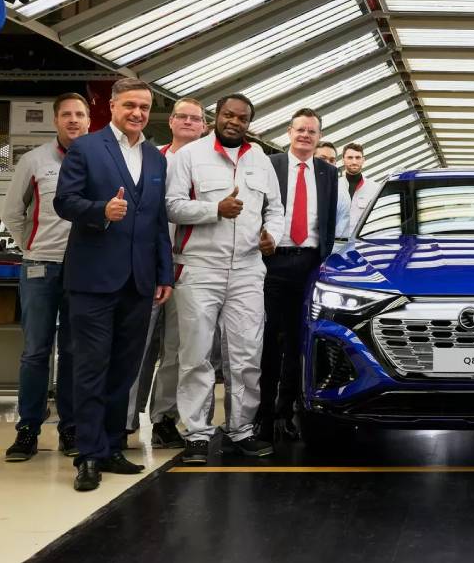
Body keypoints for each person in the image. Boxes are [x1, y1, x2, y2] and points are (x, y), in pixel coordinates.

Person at [54, 78, 173, 491]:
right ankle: (88, 454)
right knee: (91, 367)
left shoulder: (155, 158)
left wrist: (163, 273)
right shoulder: (87, 148)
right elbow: (64, 201)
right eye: (130, 106)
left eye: (144, 107)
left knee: (124, 369)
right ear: (112, 106)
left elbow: (157, 220)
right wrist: (100, 211)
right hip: (93, 278)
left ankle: (110, 446)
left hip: (139, 281)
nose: (137, 113)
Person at [166, 93, 284, 464]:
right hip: (200, 266)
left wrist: (272, 236)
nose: (234, 122)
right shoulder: (190, 156)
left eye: (242, 118)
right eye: (228, 115)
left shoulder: (260, 159)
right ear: (215, 116)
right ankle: (197, 435)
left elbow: (276, 210)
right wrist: (214, 209)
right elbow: (171, 206)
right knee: (196, 354)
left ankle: (240, 430)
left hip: (248, 268)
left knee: (246, 354)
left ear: (249, 123)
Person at [2, 93, 91, 461]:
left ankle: (70, 428)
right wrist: (32, 247)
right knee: (36, 351)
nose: (73, 120)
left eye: (80, 114)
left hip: (84, 269)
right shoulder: (34, 160)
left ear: (89, 120)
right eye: (66, 114)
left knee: (73, 351)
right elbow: (12, 212)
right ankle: (28, 429)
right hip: (40, 267)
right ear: (56, 120)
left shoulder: (99, 161)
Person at [256, 110, 348, 443]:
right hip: (271, 262)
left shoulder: (328, 173)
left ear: (319, 136)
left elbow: (330, 223)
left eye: (311, 131)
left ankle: (286, 413)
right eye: (300, 130)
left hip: (310, 266)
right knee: (266, 341)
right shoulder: (270, 165)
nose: (305, 135)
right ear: (289, 132)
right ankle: (263, 414)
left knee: (300, 342)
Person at [125, 98, 207, 448]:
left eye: (195, 118)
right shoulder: (149, 158)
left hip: (187, 265)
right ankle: (124, 419)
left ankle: (164, 418)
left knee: (176, 348)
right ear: (170, 121)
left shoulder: (209, 164)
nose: (188, 122)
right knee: (136, 344)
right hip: (145, 265)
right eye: (182, 116)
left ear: (204, 126)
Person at [342, 142, 380, 230]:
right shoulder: (333, 187)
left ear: (363, 160)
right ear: (343, 160)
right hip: (338, 238)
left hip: (364, 238)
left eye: (358, 157)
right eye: (350, 158)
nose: (354, 162)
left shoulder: (375, 189)